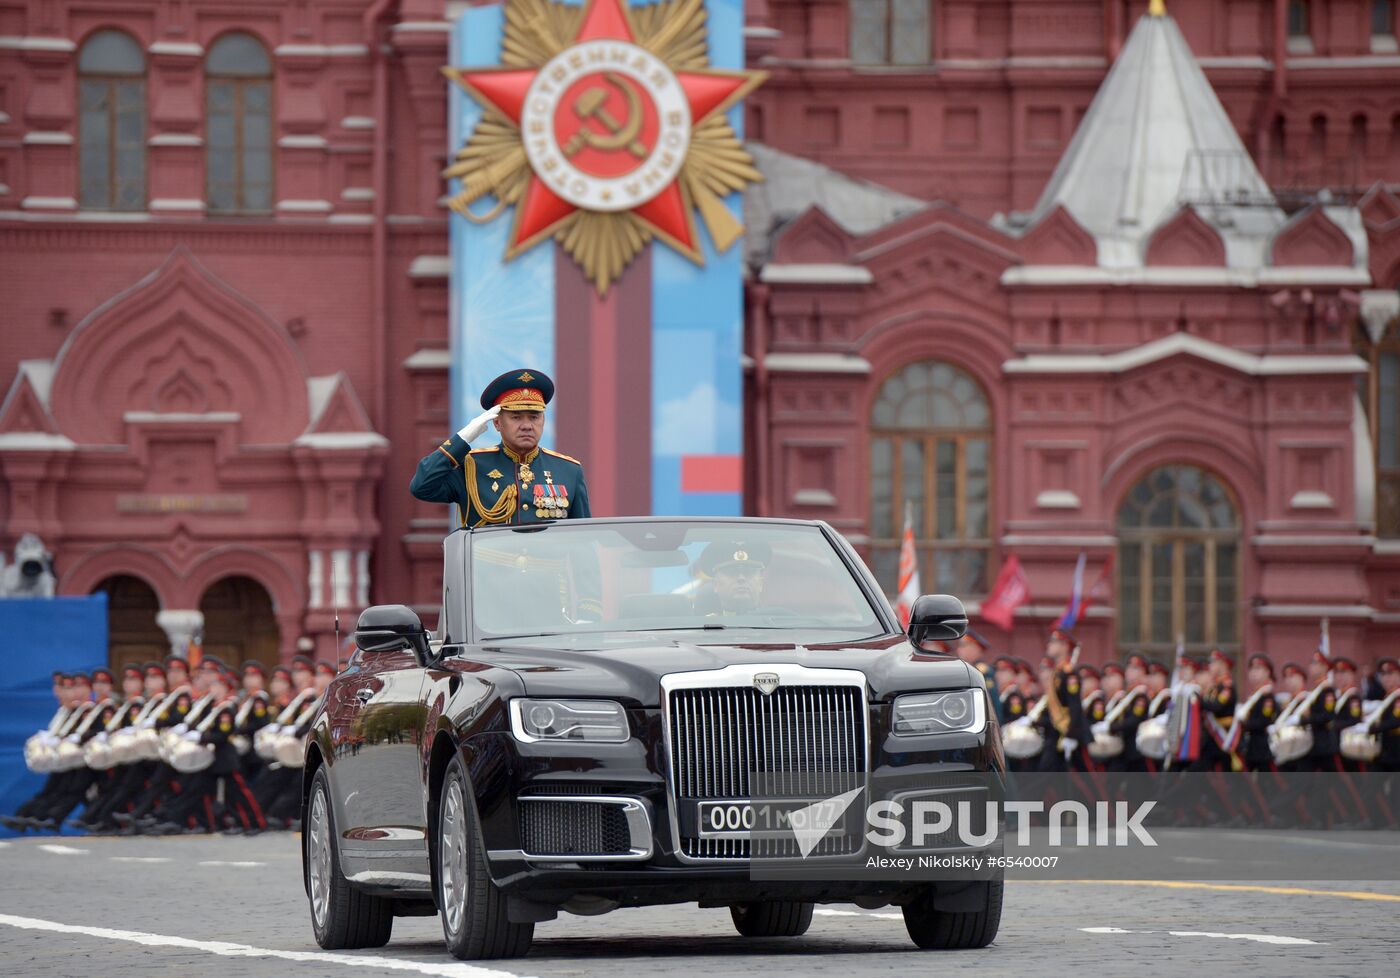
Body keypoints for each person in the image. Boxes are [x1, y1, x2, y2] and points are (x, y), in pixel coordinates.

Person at [410, 368, 590, 527]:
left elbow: (582, 537)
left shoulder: (569, 470)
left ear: (543, 420)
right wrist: (462, 438)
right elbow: (422, 486)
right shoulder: (473, 466)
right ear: (497, 423)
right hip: (489, 557)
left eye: (534, 417)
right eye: (516, 417)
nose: (527, 426)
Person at [693, 541, 772, 616]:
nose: (741, 578)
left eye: (748, 572)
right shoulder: (701, 624)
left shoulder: (778, 621)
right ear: (715, 584)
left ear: (760, 583)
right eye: (732, 572)